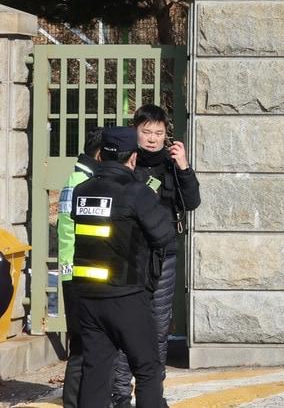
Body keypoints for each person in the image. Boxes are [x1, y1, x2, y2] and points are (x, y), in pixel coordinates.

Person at [70, 126, 176, 408]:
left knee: (95, 370)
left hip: (88, 298)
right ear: (133, 157)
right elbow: (165, 235)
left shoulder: (81, 192)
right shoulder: (137, 193)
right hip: (126, 295)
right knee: (148, 368)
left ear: (101, 156)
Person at [110, 105, 199, 407]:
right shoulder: (124, 161)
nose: (152, 138)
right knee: (126, 326)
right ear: (135, 131)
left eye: (158, 133)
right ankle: (120, 395)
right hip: (130, 256)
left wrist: (184, 167)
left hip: (164, 256)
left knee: (159, 330)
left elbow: (191, 201)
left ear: (166, 135)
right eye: (146, 132)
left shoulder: (171, 164)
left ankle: (152, 395)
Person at [57, 128, 104, 408]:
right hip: (79, 273)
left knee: (82, 343)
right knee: (82, 344)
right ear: (100, 155)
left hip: (74, 271)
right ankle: (74, 402)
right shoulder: (82, 183)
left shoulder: (79, 179)